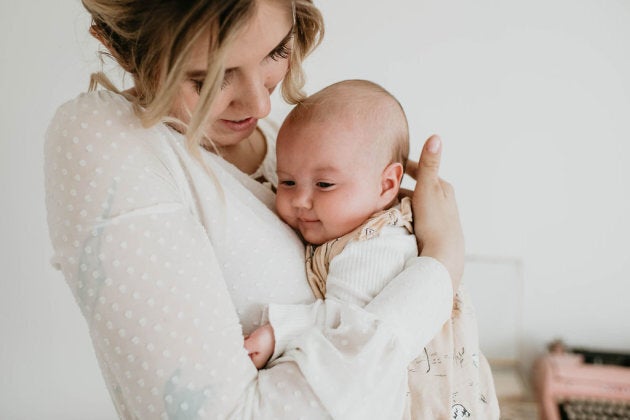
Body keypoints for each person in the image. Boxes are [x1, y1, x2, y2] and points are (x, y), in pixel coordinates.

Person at [44, 0, 466, 418]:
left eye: (276, 51)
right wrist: (441, 266)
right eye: (211, 79)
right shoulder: (109, 140)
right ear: (123, 49)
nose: (261, 105)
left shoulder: (285, 146)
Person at [244, 80, 500, 419]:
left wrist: (282, 330)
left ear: (387, 184)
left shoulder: (373, 247)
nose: (300, 200)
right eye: (288, 181)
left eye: (324, 184)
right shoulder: (354, 230)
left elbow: (353, 330)